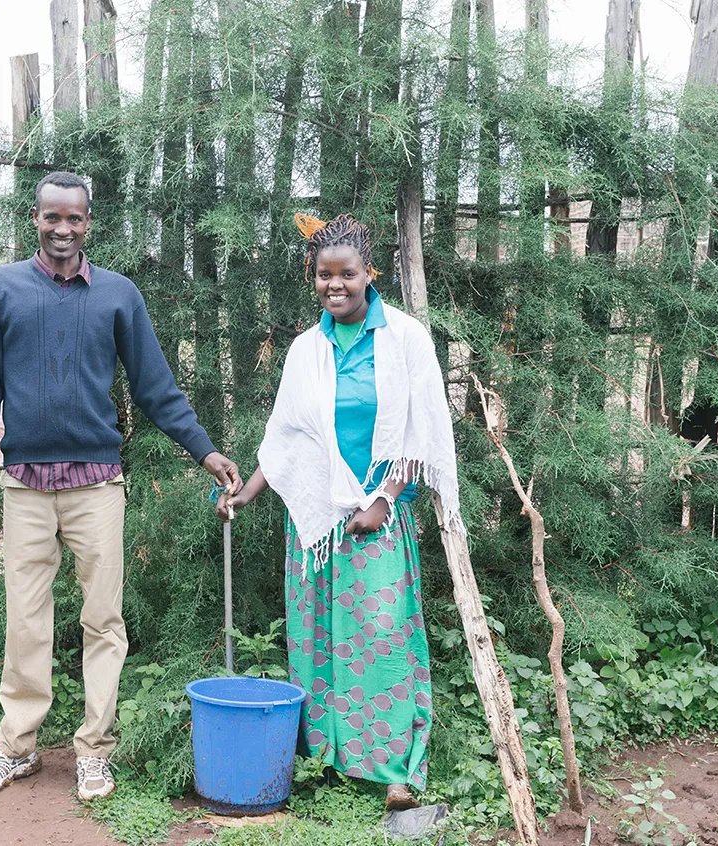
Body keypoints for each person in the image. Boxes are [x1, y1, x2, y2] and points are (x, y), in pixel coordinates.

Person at [0, 171, 241, 801]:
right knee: (25, 618)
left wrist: (205, 449)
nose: (63, 229)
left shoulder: (117, 295)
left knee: (103, 620)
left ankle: (94, 749)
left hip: (97, 485)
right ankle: (16, 746)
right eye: (51, 217)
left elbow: (154, 386)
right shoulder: (0, 289)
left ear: (90, 224)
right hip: (25, 486)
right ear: (34, 218)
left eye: (75, 219)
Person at [216, 213, 462, 811]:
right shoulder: (306, 349)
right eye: (325, 276)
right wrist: (245, 492)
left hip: (378, 520)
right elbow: (289, 441)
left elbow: (419, 433)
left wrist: (383, 501)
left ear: (368, 272)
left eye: (347, 274)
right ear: (314, 277)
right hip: (316, 525)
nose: (336, 286)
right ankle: (330, 759)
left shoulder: (405, 340)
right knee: (317, 639)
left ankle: (395, 771)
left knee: (382, 641)